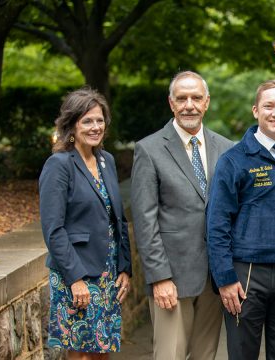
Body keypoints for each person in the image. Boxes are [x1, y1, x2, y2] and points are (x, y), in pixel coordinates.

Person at [207, 79, 275, 359]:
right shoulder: (234, 160)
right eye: (269, 106)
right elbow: (217, 223)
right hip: (247, 275)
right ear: (256, 110)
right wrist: (224, 278)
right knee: (243, 353)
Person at [131, 71, 233, 360]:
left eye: (196, 98)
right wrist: (159, 277)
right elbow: (144, 220)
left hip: (214, 278)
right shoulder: (149, 150)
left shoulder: (226, 149)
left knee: (206, 355)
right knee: (169, 355)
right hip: (172, 278)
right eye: (182, 98)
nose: (189, 104)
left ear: (207, 102)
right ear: (171, 103)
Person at [39, 88, 132, 358]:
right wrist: (75, 278)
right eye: (87, 121)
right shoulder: (59, 165)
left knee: (103, 350)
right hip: (76, 273)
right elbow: (53, 229)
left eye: (100, 120)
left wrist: (124, 267)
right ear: (71, 125)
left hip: (107, 274)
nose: (95, 127)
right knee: (80, 352)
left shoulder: (107, 161)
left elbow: (118, 218)